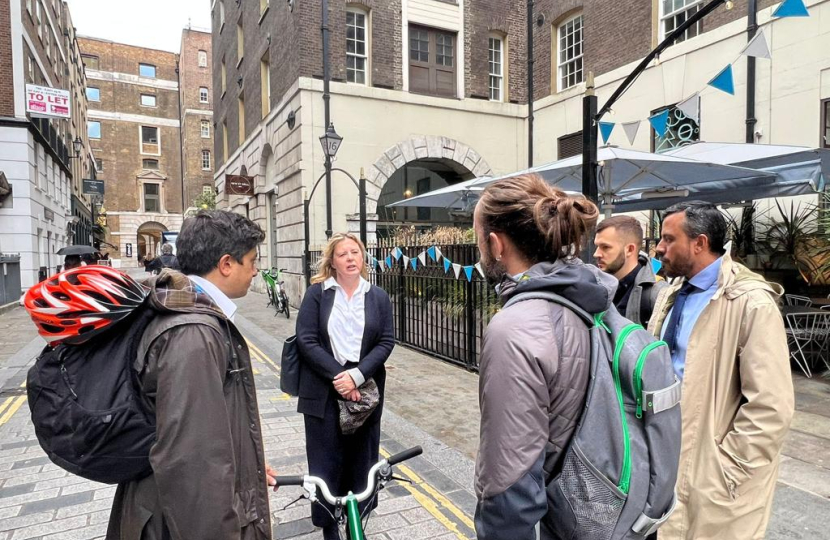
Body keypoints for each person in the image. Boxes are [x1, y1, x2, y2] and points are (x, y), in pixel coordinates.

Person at [107, 209, 276, 540]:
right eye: (252, 260)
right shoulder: (193, 334)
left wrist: (245, 467)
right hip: (173, 522)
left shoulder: (188, 313)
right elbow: (194, 464)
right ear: (226, 264)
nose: (256, 270)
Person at [473, 174, 615, 540]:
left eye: (478, 241)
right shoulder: (595, 296)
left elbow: (509, 485)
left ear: (495, 244)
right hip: (611, 511)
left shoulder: (515, 328)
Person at [649, 201, 793, 540]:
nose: (658, 248)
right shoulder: (671, 293)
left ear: (698, 243)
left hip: (714, 473)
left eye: (669, 239)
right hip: (666, 455)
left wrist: (728, 469)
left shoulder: (751, 302)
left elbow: (771, 407)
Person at [295, 232, 394, 540]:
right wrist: (340, 376)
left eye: (356, 252)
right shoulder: (317, 294)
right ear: (332, 262)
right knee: (325, 461)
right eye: (343, 254)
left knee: (362, 460)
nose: (351, 258)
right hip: (323, 389)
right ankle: (328, 526)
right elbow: (306, 339)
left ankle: (357, 521)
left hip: (365, 392)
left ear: (362, 258)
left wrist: (358, 375)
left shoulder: (377, 296)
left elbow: (386, 341)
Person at [593, 215, 666, 326]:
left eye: (605, 247)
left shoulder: (657, 294)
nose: (596, 254)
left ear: (630, 249)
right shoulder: (593, 287)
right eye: (597, 246)